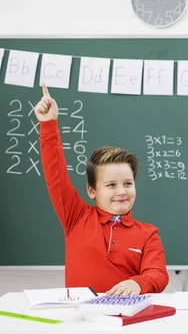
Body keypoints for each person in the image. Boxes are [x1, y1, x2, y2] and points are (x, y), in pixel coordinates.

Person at [36, 83, 168, 295]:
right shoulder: (76, 218)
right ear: (92, 191)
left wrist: (138, 283)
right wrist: (49, 124)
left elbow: (158, 274)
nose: (121, 191)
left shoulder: (148, 234)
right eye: (111, 185)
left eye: (128, 183)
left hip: (126, 318)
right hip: (81, 318)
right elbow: (55, 175)